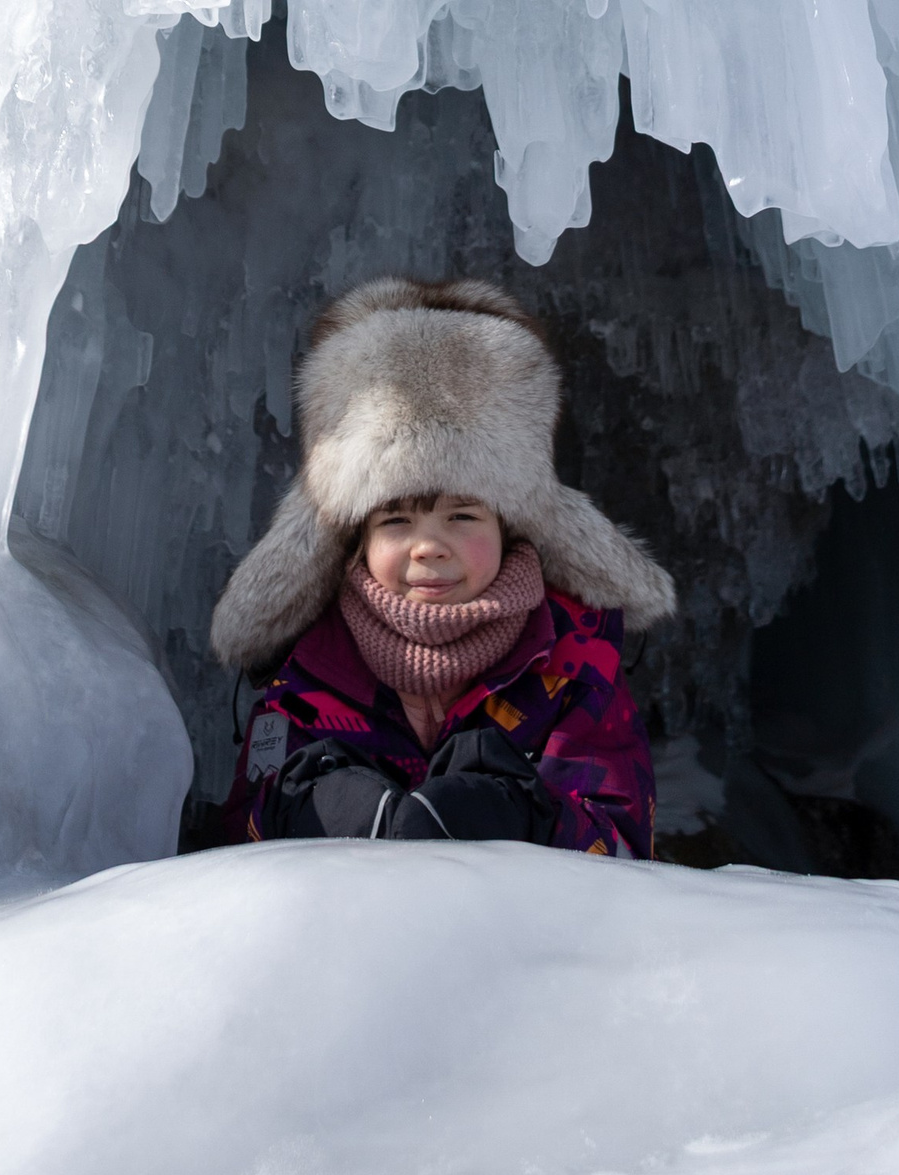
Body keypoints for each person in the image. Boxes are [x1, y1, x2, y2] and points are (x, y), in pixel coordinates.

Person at [207, 277, 673, 852]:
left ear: (511, 526)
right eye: (396, 521)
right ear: (354, 539)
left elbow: (625, 841)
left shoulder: (571, 665)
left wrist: (527, 817)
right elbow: (232, 845)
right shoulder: (307, 673)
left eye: (461, 517)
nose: (429, 546)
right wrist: (299, 810)